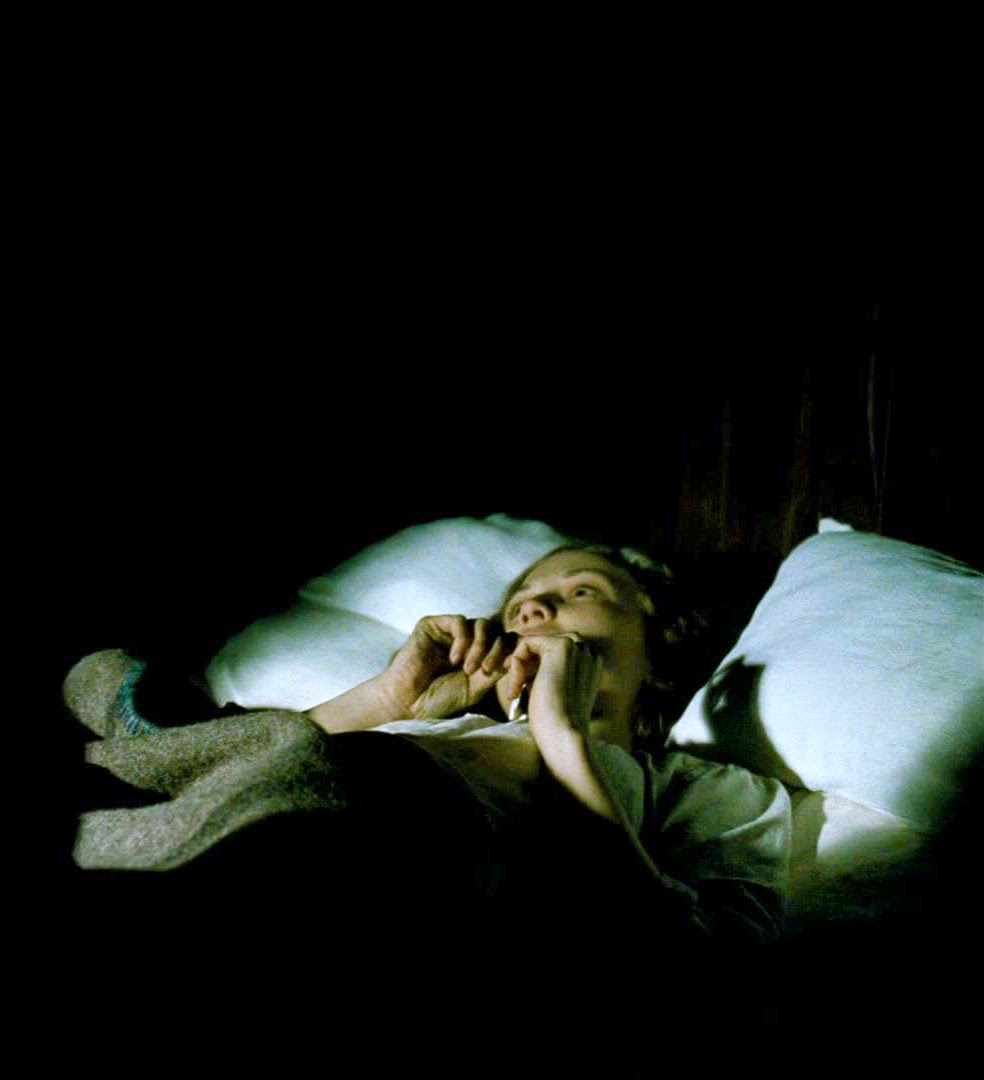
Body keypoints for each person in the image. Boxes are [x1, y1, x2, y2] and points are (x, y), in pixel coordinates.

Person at [65, 542, 791, 944]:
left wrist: (564, 737)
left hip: (403, 848)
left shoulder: (707, 789)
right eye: (519, 604)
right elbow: (255, 755)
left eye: (581, 592)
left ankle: (151, 737)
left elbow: (702, 970)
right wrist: (387, 701)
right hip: (287, 779)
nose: (533, 608)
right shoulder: (443, 721)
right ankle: (149, 739)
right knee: (126, 688)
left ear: (658, 644)